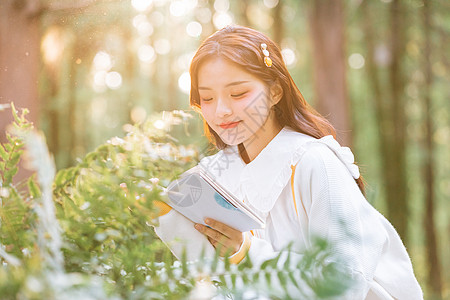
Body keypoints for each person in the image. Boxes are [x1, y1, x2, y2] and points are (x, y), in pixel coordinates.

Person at [153, 25, 423, 299]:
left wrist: (247, 252)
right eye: (207, 98)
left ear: (275, 92)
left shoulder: (315, 163)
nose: (221, 110)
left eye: (238, 94)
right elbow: (211, 275)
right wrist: (164, 214)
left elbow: (345, 281)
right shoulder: (213, 175)